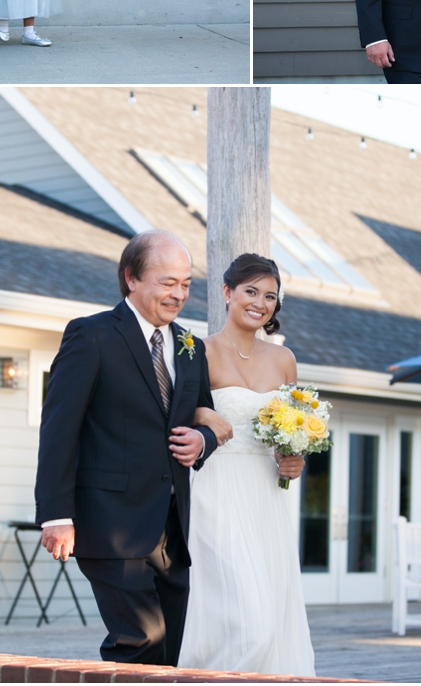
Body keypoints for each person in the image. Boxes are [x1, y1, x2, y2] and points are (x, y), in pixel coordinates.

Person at [35, 231, 232, 667]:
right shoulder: (91, 336)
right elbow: (58, 430)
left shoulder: (190, 347)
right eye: (167, 282)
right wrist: (55, 515)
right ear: (131, 279)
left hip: (172, 531)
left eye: (185, 284)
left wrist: (204, 441)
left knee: (172, 648)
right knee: (139, 641)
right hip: (111, 524)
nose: (179, 294)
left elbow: (207, 416)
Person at [178, 254, 316, 676]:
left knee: (272, 615)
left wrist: (295, 460)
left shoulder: (284, 360)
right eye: (250, 291)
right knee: (246, 619)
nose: (260, 303)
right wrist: (204, 415)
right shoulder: (196, 351)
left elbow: (291, 434)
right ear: (227, 293)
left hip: (265, 496)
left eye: (270, 296)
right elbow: (176, 415)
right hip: (217, 489)